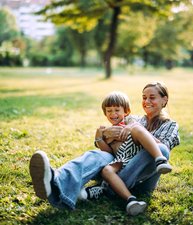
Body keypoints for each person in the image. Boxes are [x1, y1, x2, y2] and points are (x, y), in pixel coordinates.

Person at [29, 81, 179, 214]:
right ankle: (55, 182)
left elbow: (163, 146)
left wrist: (136, 129)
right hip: (120, 165)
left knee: (162, 151)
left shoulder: (168, 124)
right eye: (144, 97)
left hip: (140, 178)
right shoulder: (134, 119)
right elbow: (113, 147)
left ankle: (107, 189)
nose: (146, 101)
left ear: (164, 100)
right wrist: (101, 135)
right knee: (96, 155)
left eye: (152, 97)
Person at [79, 91, 172, 215]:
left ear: (126, 111)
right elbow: (108, 152)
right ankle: (130, 200)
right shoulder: (108, 131)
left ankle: (160, 159)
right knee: (106, 170)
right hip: (122, 157)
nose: (113, 114)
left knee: (137, 128)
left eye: (117, 110)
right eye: (109, 111)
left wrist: (130, 127)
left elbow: (140, 129)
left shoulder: (130, 120)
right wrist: (100, 138)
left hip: (136, 154)